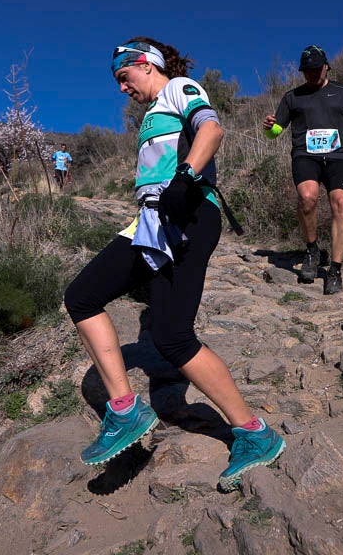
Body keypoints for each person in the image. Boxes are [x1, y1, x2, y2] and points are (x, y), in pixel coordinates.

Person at [64, 37, 284, 491]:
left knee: (173, 337)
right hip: (151, 224)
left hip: (188, 215)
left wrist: (186, 177)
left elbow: (211, 130)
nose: (122, 88)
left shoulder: (179, 88)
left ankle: (254, 434)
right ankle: (124, 412)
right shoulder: (150, 115)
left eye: (124, 77)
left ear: (146, 65)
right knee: (84, 297)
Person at [263, 44, 343, 295]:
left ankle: (335, 268)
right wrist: (268, 126)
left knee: (341, 202)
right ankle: (312, 250)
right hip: (305, 156)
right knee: (307, 198)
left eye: (316, 69)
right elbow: (275, 132)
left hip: (337, 157)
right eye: (307, 71)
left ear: (326, 66)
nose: (312, 74)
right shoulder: (292, 97)